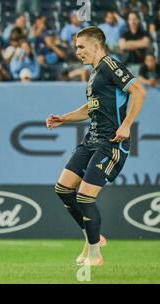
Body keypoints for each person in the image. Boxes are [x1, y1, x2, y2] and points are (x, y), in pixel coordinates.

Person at [46, 27, 146, 266]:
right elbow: (90, 108)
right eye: (76, 48)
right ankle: (93, 237)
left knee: (85, 198)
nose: (77, 52)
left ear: (97, 46)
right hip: (91, 140)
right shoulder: (93, 74)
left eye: (81, 47)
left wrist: (127, 125)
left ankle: (94, 255)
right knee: (62, 189)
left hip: (110, 143)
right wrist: (64, 118)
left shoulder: (111, 64)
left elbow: (139, 91)